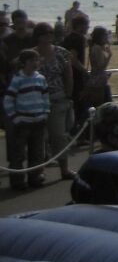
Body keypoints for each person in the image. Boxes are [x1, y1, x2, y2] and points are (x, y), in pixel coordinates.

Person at [32, 22, 76, 180]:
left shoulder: (61, 52)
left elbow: (68, 74)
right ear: (38, 36)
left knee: (58, 135)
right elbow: (18, 65)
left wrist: (69, 95)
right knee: (39, 137)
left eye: (51, 33)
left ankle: (64, 169)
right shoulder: (32, 54)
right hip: (36, 101)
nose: (49, 36)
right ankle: (39, 170)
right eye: (46, 33)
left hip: (58, 98)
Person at [4, 49, 49, 190]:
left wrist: (45, 112)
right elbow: (8, 100)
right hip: (22, 122)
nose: (35, 63)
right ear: (23, 63)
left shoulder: (41, 78)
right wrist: (15, 117)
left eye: (36, 60)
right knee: (19, 153)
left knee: (37, 152)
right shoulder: (18, 79)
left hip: (38, 120)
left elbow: (45, 97)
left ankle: (35, 177)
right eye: (31, 61)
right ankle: (17, 181)